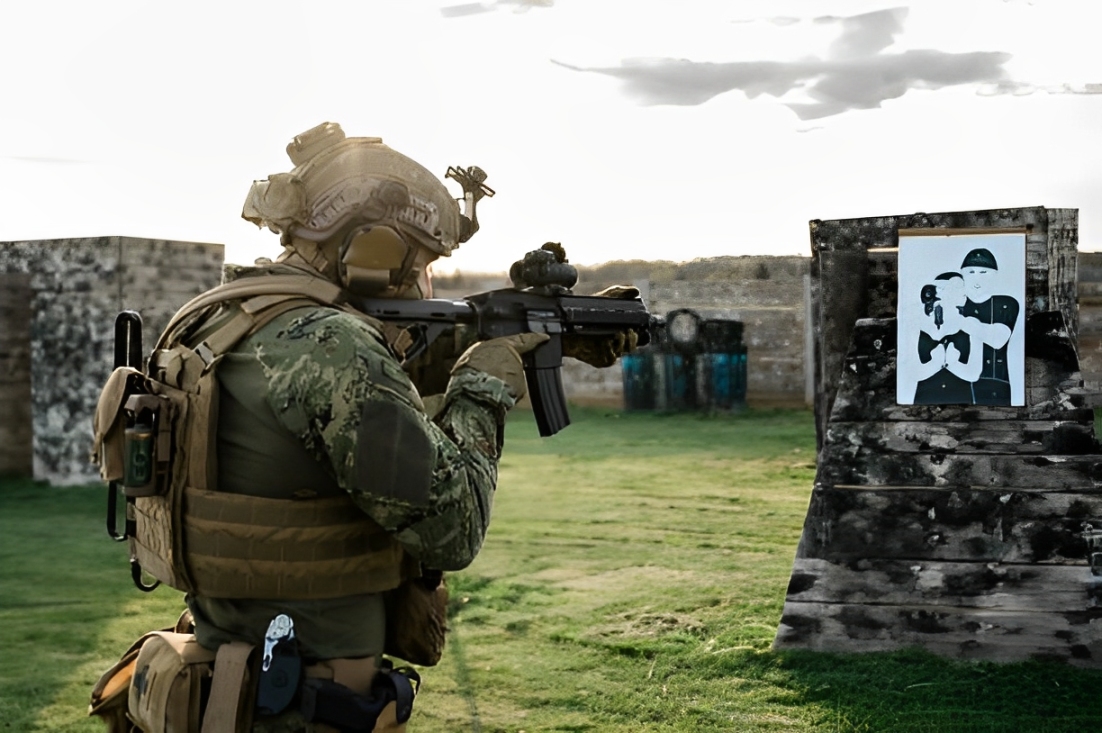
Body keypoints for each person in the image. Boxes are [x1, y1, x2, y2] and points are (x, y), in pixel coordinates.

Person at [90, 122, 636, 732]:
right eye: (419, 261)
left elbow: (359, 371)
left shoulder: (221, 320)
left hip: (229, 673)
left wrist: (541, 332)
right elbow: (452, 529)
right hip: (307, 702)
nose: (422, 281)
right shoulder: (328, 343)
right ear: (374, 249)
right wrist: (485, 381)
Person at [958, 248, 1020, 405]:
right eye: (971, 272)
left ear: (995, 276)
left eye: (983, 273)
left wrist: (962, 322)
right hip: (958, 383)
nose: (976, 278)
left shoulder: (1006, 303)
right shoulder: (956, 304)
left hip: (997, 383)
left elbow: (998, 338)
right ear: (962, 275)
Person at [912, 272, 982, 404]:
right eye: (956, 287)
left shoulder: (972, 324)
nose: (964, 293)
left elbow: (974, 374)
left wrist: (952, 363)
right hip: (926, 400)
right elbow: (912, 372)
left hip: (961, 399)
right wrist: (936, 363)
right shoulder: (918, 325)